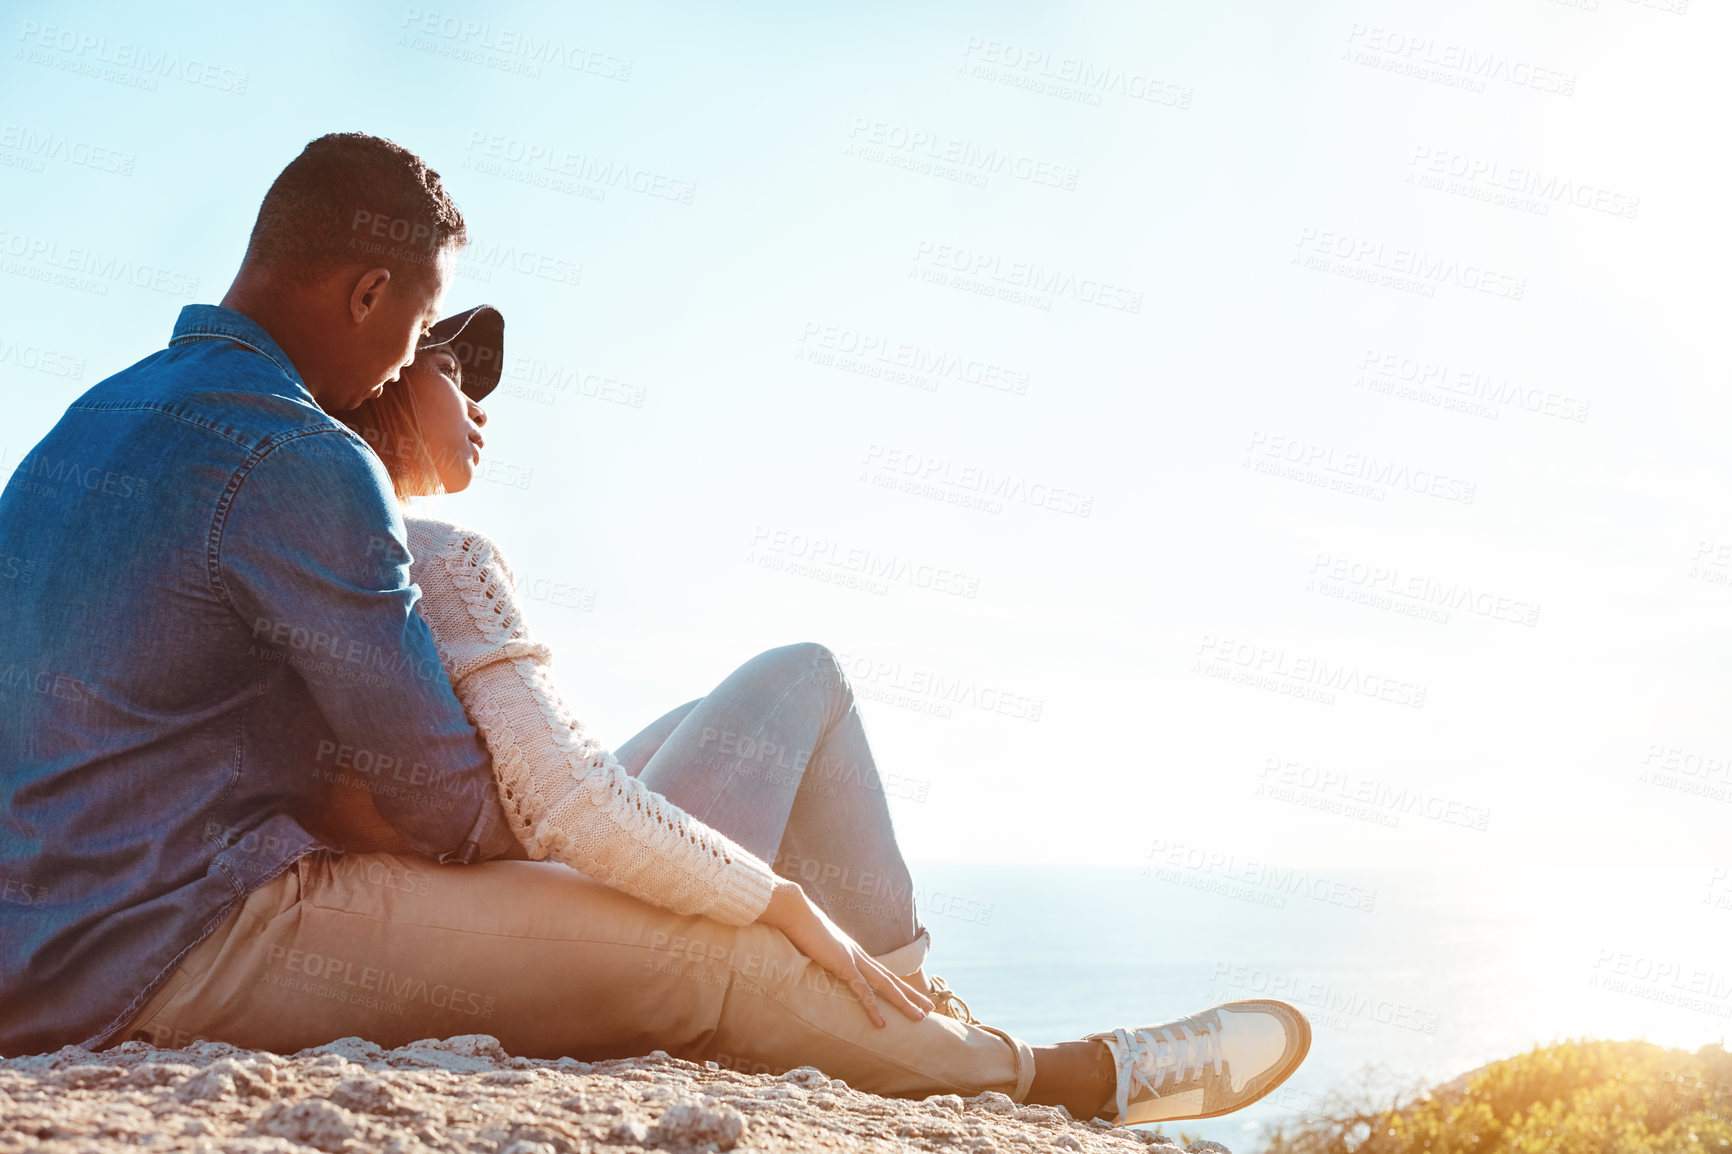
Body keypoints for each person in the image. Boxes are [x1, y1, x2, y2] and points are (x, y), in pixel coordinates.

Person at [0, 132, 1309, 1127]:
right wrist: (670, 859)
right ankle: (1046, 1082)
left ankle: (912, 1007)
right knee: (705, 955)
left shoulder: (92, 426)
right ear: (364, 294)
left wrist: (606, 825)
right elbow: (459, 811)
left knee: (781, 706)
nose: (414, 358)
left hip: (70, 928)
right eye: (419, 323)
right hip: (177, 942)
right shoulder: (296, 460)